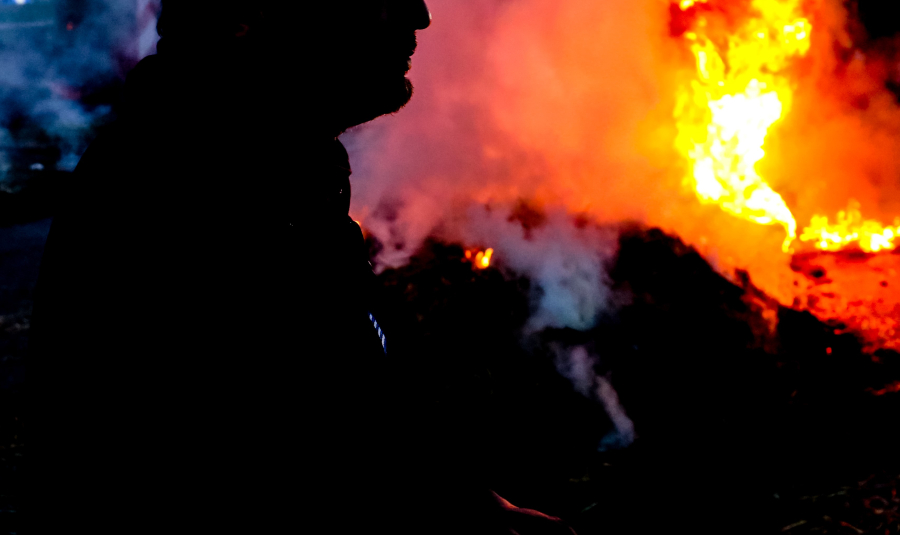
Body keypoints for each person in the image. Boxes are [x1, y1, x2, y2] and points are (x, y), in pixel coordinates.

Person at [30, 1, 576, 533]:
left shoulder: (277, 174)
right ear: (250, 15)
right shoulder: (177, 199)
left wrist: (467, 505)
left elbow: (358, 399)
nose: (419, 15)